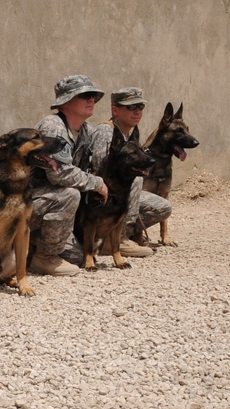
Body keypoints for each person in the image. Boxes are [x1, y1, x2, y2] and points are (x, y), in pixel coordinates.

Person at [29, 75, 109, 276]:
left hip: (52, 204)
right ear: (65, 102)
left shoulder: (86, 131)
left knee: (78, 257)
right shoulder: (53, 126)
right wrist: (96, 183)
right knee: (70, 193)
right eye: (84, 96)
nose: (91, 100)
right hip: (29, 202)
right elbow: (59, 174)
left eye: (93, 96)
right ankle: (44, 257)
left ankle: (32, 247)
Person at [89, 87, 172, 257]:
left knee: (162, 207)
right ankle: (117, 239)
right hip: (100, 196)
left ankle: (121, 235)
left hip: (118, 195)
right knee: (134, 178)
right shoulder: (106, 132)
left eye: (140, 107)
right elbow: (100, 172)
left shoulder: (129, 134)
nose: (137, 112)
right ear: (115, 110)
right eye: (131, 107)